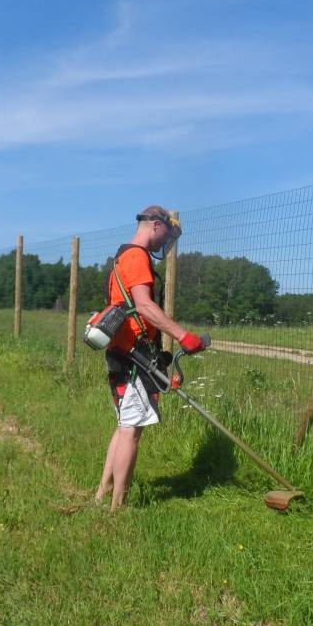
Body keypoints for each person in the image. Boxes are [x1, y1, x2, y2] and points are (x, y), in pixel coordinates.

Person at [95, 206, 207, 511]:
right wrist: (184, 336)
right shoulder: (138, 257)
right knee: (131, 430)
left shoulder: (122, 255)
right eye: (166, 236)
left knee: (124, 425)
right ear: (156, 226)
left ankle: (103, 493)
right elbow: (144, 306)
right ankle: (118, 506)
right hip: (134, 356)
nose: (164, 244)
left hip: (124, 351)